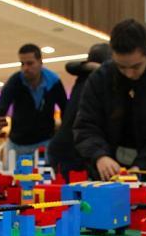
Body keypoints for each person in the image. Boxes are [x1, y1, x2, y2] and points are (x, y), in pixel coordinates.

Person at [73, 19, 146, 181]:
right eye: (121, 67)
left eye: (136, 67)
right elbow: (85, 125)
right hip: (105, 173)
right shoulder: (100, 78)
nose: (129, 74)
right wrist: (99, 156)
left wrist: (142, 166)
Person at [46, 42, 112, 179]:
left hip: (65, 146)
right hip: (73, 148)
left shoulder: (83, 75)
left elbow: (71, 66)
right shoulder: (97, 82)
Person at [0, 43, 68, 160]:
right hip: (17, 144)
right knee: (12, 177)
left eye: (30, 63)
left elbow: (66, 109)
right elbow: (0, 106)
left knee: (46, 177)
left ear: (40, 62)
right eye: (22, 64)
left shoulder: (54, 82)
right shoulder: (15, 81)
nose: (25, 68)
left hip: (45, 142)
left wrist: (64, 136)